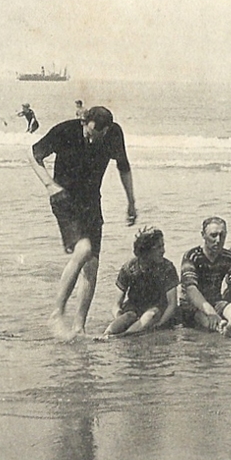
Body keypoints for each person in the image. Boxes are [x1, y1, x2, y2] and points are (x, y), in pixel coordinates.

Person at [29, 106, 137, 339]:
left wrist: (131, 202)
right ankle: (56, 314)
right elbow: (33, 154)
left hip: (91, 202)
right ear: (84, 122)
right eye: (89, 134)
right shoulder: (66, 130)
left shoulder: (114, 134)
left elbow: (124, 167)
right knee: (84, 249)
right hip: (64, 198)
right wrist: (49, 184)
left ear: (107, 130)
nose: (91, 140)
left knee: (92, 265)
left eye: (98, 137)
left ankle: (79, 327)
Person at [179, 217, 231, 335]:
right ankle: (223, 329)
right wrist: (211, 313)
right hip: (193, 306)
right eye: (213, 235)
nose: (218, 240)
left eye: (222, 235)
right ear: (203, 235)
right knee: (205, 319)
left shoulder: (229, 257)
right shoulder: (192, 256)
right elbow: (191, 289)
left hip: (216, 301)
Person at [102, 226, 179, 338]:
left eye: (163, 246)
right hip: (134, 308)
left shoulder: (167, 268)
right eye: (158, 247)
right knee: (128, 316)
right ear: (146, 251)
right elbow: (116, 304)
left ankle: (123, 337)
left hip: (158, 309)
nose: (163, 251)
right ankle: (106, 334)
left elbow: (172, 304)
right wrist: (119, 317)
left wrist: (159, 325)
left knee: (150, 315)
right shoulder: (129, 268)